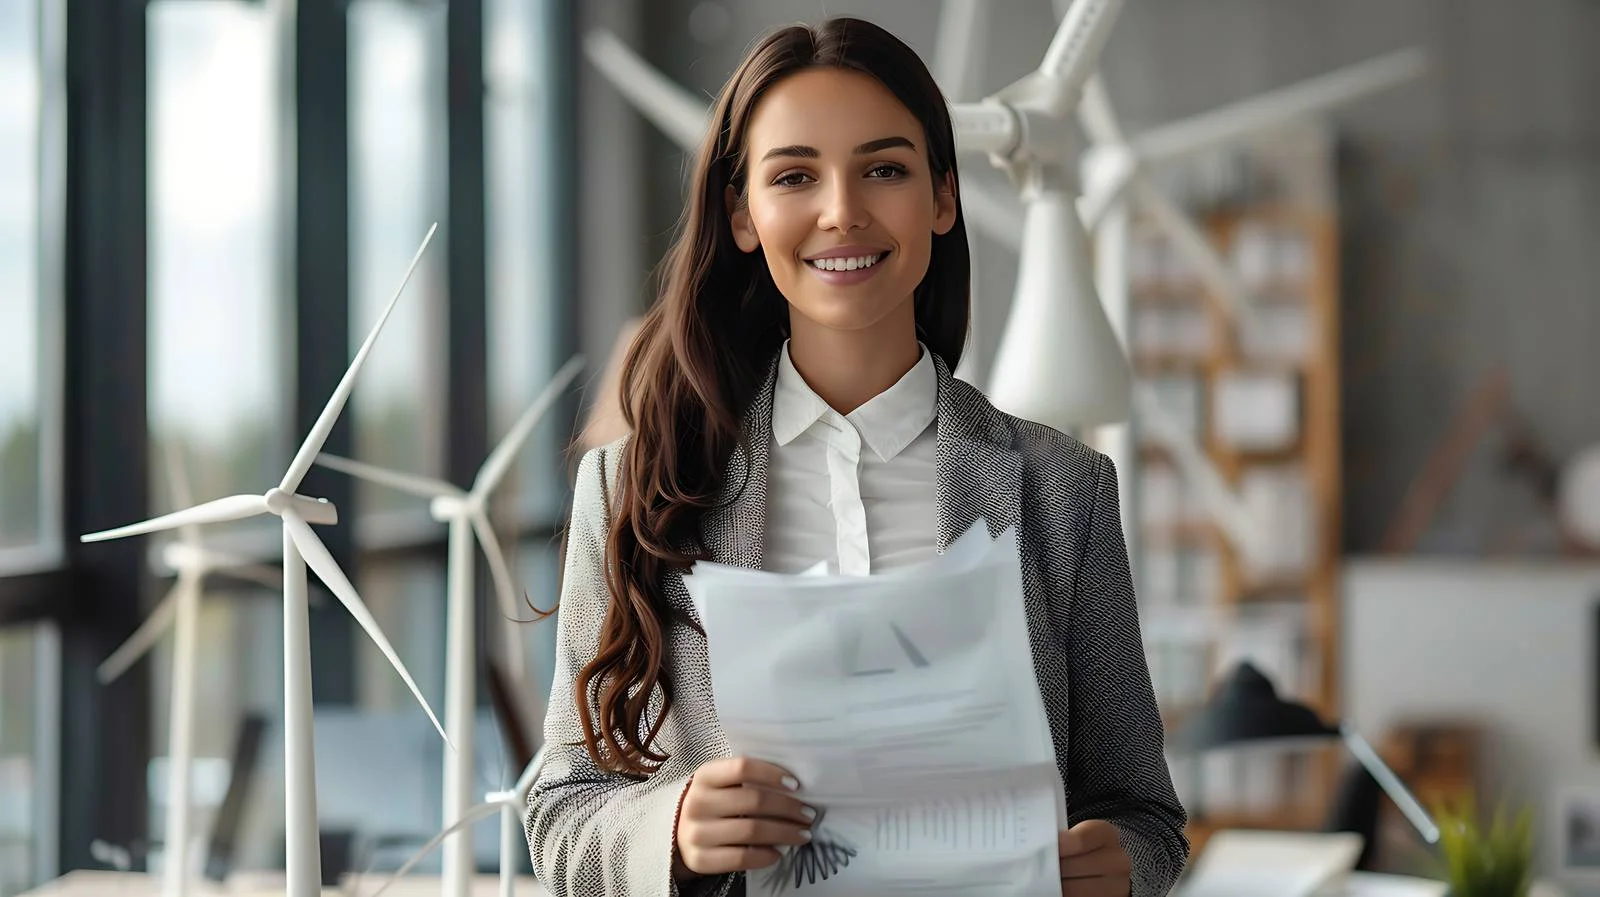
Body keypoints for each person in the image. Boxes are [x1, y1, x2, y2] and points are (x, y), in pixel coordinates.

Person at [525, 15, 1188, 897]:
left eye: (884, 169)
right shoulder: (631, 487)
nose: (843, 210)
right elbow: (560, 810)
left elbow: (1146, 814)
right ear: (743, 212)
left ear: (943, 197)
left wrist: (1125, 867)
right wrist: (672, 826)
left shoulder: (1065, 490)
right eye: (795, 175)